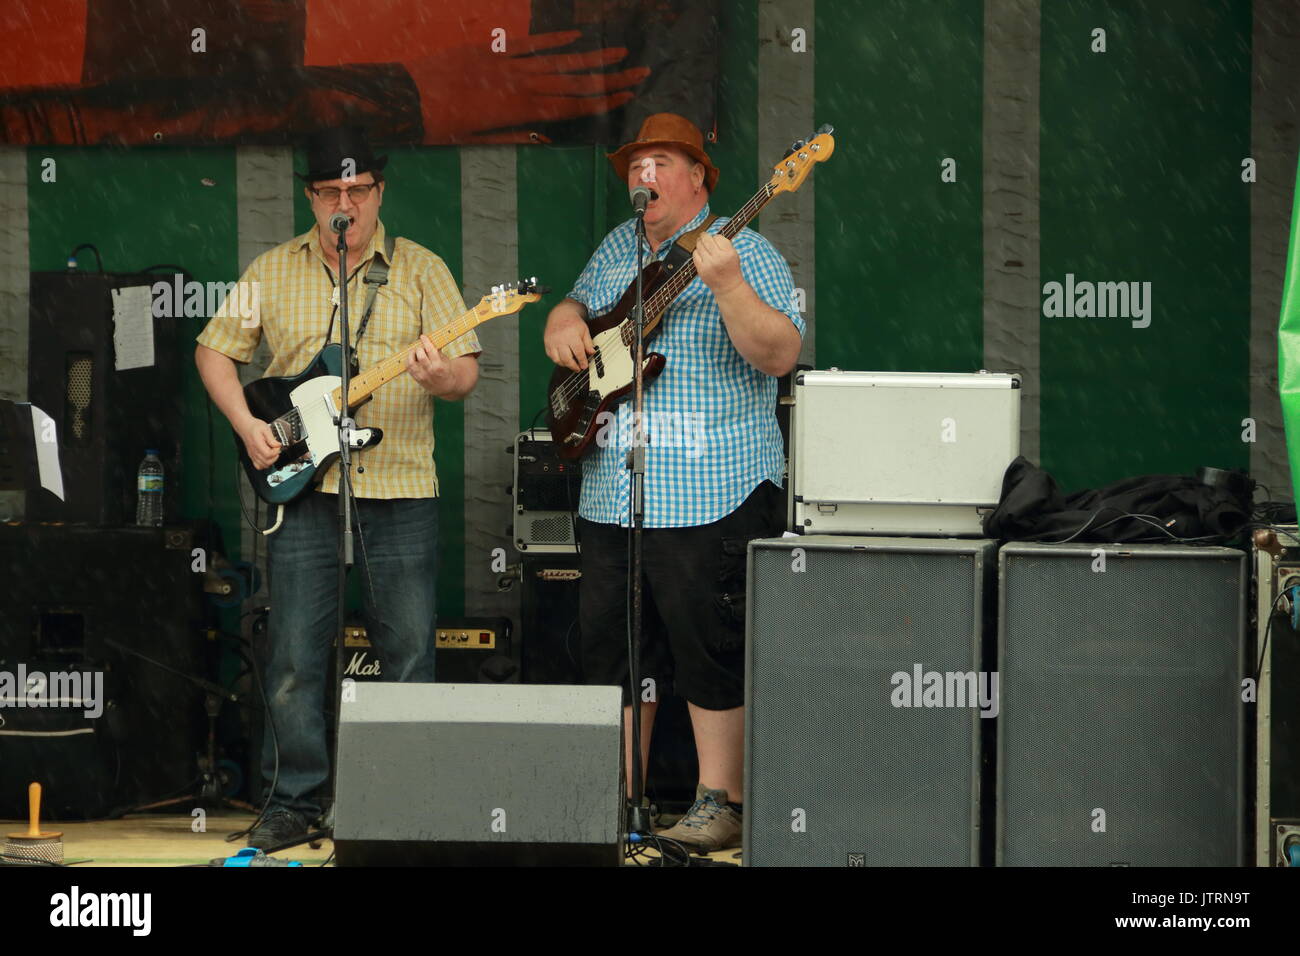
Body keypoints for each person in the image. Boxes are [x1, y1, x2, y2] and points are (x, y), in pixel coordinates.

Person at [195, 126, 481, 848]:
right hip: (301, 488)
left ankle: (403, 805)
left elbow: (466, 373)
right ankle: (294, 800)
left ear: (380, 191)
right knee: (293, 651)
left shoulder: (421, 270)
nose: (344, 204)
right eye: (331, 192)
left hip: (401, 483)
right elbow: (213, 351)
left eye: (358, 190)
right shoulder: (273, 270)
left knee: (409, 651)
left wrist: (439, 374)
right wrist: (249, 424)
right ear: (311, 197)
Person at [542, 112, 803, 851]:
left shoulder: (746, 249)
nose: (642, 176)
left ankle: (722, 801)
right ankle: (619, 799)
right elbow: (577, 305)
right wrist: (562, 320)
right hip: (613, 492)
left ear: (697, 179)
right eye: (634, 165)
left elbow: (780, 352)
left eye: (659, 162)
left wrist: (726, 287)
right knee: (617, 652)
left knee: (708, 646)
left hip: (711, 488)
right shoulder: (616, 248)